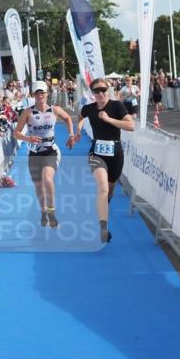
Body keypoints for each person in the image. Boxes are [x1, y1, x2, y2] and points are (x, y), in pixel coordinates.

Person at [68, 78, 135, 244]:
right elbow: (80, 116)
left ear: (108, 90)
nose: (101, 93)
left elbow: (131, 126)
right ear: (92, 93)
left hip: (116, 153)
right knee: (103, 187)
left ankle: (103, 206)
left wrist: (109, 119)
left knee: (109, 190)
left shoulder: (117, 106)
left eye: (103, 90)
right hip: (96, 152)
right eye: (97, 91)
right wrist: (77, 131)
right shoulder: (89, 108)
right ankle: (103, 228)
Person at [14, 81, 75, 228]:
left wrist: (71, 135)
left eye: (42, 92)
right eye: (37, 93)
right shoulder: (27, 112)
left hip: (51, 150)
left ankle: (52, 212)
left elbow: (67, 118)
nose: (40, 95)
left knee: (47, 179)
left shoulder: (54, 109)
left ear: (47, 94)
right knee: (38, 185)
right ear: (33, 95)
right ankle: (43, 211)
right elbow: (15, 133)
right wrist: (28, 138)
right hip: (34, 153)